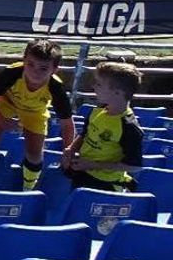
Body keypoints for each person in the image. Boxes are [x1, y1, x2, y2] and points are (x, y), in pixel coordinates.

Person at [0, 38, 77, 191]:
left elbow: (67, 123)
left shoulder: (56, 87)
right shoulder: (13, 72)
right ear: (24, 61)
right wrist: (1, 120)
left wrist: (68, 152)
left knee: (35, 154)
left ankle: (27, 188)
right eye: (30, 65)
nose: (35, 72)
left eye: (43, 68)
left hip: (35, 111)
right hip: (7, 102)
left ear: (54, 69)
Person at [61, 61, 143, 192]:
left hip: (105, 184)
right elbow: (85, 133)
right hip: (82, 173)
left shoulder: (129, 127)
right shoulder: (98, 110)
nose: (93, 86)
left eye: (99, 84)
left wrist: (93, 165)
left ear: (117, 93)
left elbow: (134, 166)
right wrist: (71, 149)